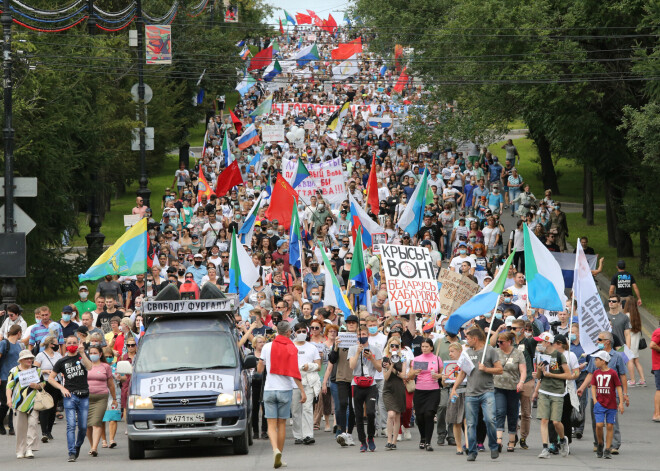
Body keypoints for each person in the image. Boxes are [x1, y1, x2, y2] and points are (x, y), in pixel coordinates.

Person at [257, 321, 307, 469]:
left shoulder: (267, 346)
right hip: (285, 389)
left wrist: (259, 369)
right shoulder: (292, 347)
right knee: (282, 424)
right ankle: (280, 454)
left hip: (269, 389)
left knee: (271, 425)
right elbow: (295, 373)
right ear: (288, 332)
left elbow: (260, 367)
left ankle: (275, 450)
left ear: (277, 330)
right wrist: (302, 391)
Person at [450, 326, 503, 461]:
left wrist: (486, 369)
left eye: (468, 338)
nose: (466, 340)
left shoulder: (490, 350)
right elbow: (462, 372)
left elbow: (500, 370)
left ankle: (493, 446)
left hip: (487, 391)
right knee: (471, 423)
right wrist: (454, 388)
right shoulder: (467, 352)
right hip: (471, 393)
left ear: (475, 338)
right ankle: (472, 451)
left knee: (490, 419)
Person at [577, 331, 629, 455]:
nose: (597, 342)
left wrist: (625, 395)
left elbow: (622, 376)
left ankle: (613, 445)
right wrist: (582, 388)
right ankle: (598, 443)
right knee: (597, 420)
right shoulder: (595, 356)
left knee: (612, 421)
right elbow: (590, 374)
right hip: (597, 396)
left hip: (612, 395)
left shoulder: (617, 356)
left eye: (600, 340)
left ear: (607, 342)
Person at [49, 335, 93, 462]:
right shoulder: (62, 361)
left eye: (74, 342)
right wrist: (62, 388)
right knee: (71, 425)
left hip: (84, 395)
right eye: (70, 343)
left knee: (83, 426)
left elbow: (89, 367)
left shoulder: (82, 356)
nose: (72, 344)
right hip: (70, 395)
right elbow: (51, 378)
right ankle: (71, 452)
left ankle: (77, 445)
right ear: (66, 345)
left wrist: (82, 352)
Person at [531, 332, 571, 458]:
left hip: (557, 392)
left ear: (547, 342)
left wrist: (551, 375)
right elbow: (539, 377)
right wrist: (538, 371)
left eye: (541, 342)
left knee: (556, 422)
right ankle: (545, 448)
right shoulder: (540, 356)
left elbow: (568, 375)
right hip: (544, 390)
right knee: (544, 419)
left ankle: (563, 439)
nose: (539, 344)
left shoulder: (559, 356)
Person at [348, 325, 383, 452]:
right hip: (356, 383)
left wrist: (371, 358)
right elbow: (351, 366)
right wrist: (358, 352)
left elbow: (379, 368)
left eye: (363, 334)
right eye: (359, 334)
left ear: (367, 334)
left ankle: (371, 437)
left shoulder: (375, 349)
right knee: (358, 414)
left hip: (371, 384)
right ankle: (362, 441)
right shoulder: (352, 349)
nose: (361, 336)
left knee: (370, 412)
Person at [6, 349, 46, 459]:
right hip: (18, 403)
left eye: (31, 358)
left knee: (33, 424)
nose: (29, 360)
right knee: (20, 428)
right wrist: (9, 399)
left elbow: (43, 383)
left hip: (34, 402)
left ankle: (29, 448)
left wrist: (37, 386)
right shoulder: (14, 371)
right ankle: (20, 450)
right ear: (21, 360)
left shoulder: (37, 370)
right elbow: (9, 387)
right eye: (27, 358)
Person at [329, 314, 359, 447]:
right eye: (349, 323)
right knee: (342, 404)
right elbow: (332, 359)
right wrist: (335, 346)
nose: (351, 324)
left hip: (356, 377)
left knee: (353, 407)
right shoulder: (341, 338)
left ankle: (349, 433)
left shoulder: (360, 338)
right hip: (342, 376)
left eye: (353, 323)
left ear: (357, 325)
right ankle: (341, 430)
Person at [493, 331, 526, 453]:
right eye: (498, 342)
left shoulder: (518, 353)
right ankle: (498, 440)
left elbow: (523, 370)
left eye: (501, 342)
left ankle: (512, 440)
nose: (499, 344)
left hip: (513, 387)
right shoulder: (496, 352)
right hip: (498, 386)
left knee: (512, 414)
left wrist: (521, 382)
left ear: (509, 342)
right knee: (500, 411)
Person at [409, 338, 442, 451]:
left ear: (431, 347)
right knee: (420, 417)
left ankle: (428, 442)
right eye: (423, 346)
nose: (424, 348)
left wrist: (439, 376)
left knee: (429, 414)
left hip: (433, 390)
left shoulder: (437, 359)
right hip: (420, 390)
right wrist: (414, 372)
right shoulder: (417, 359)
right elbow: (410, 376)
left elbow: (443, 374)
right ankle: (422, 437)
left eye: (427, 346)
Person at [590, 350, 624, 459]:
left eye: (597, 360)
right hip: (600, 403)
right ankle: (600, 443)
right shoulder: (596, 373)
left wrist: (621, 402)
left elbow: (618, 387)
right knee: (599, 425)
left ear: (603, 361)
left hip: (611, 404)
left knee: (610, 426)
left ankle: (607, 449)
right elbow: (593, 386)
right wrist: (595, 400)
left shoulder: (613, 373)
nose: (595, 362)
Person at [291, 323, 321, 445]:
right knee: (295, 410)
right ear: (294, 333)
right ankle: (298, 435)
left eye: (304, 331)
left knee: (308, 409)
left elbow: (318, 366)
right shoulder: (290, 346)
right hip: (293, 382)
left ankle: (308, 435)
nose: (301, 334)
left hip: (308, 381)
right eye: (299, 332)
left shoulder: (312, 347)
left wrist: (310, 366)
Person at [84, 344, 116, 456]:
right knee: (87, 425)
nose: (93, 355)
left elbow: (111, 384)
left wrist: (114, 399)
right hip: (86, 397)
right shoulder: (85, 365)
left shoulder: (105, 367)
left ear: (100, 354)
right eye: (91, 353)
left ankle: (94, 448)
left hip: (101, 397)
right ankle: (92, 444)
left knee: (96, 422)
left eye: (95, 353)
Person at [34, 335, 62, 442]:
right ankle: (44, 432)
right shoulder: (41, 355)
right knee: (45, 407)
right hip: (46, 383)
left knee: (53, 407)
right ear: (51, 344)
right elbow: (35, 369)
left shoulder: (58, 355)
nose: (57, 345)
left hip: (56, 382)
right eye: (56, 343)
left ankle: (49, 430)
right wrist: (45, 371)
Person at [382, 337, 407, 450]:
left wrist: (393, 369)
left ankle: (394, 441)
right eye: (392, 345)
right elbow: (386, 377)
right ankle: (388, 439)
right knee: (391, 414)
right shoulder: (385, 359)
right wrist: (391, 365)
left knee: (397, 416)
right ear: (389, 346)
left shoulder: (403, 358)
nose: (394, 348)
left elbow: (403, 375)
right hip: (388, 389)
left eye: (397, 346)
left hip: (399, 388)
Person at [444, 342, 468, 455]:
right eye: (449, 351)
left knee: (467, 420)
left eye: (452, 351)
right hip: (454, 393)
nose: (450, 354)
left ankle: (468, 443)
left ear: (460, 351)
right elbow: (444, 384)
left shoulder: (466, 362)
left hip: (466, 391)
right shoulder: (449, 365)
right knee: (456, 421)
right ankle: (459, 446)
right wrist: (444, 379)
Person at [0, 324, 23, 436]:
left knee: (15, 402)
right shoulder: (4, 343)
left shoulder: (18, 346)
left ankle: (12, 426)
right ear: (18, 332)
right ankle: (0, 424)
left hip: (17, 377)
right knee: (5, 403)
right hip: (5, 376)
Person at [624, 297, 646, 386]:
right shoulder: (637, 315)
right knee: (636, 360)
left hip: (630, 341)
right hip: (636, 340)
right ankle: (642, 379)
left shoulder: (626, 316)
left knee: (630, 360)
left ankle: (632, 380)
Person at [651, 322, 660, 422]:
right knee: (659, 389)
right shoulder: (659, 332)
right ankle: (657, 414)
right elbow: (652, 345)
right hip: (659, 365)